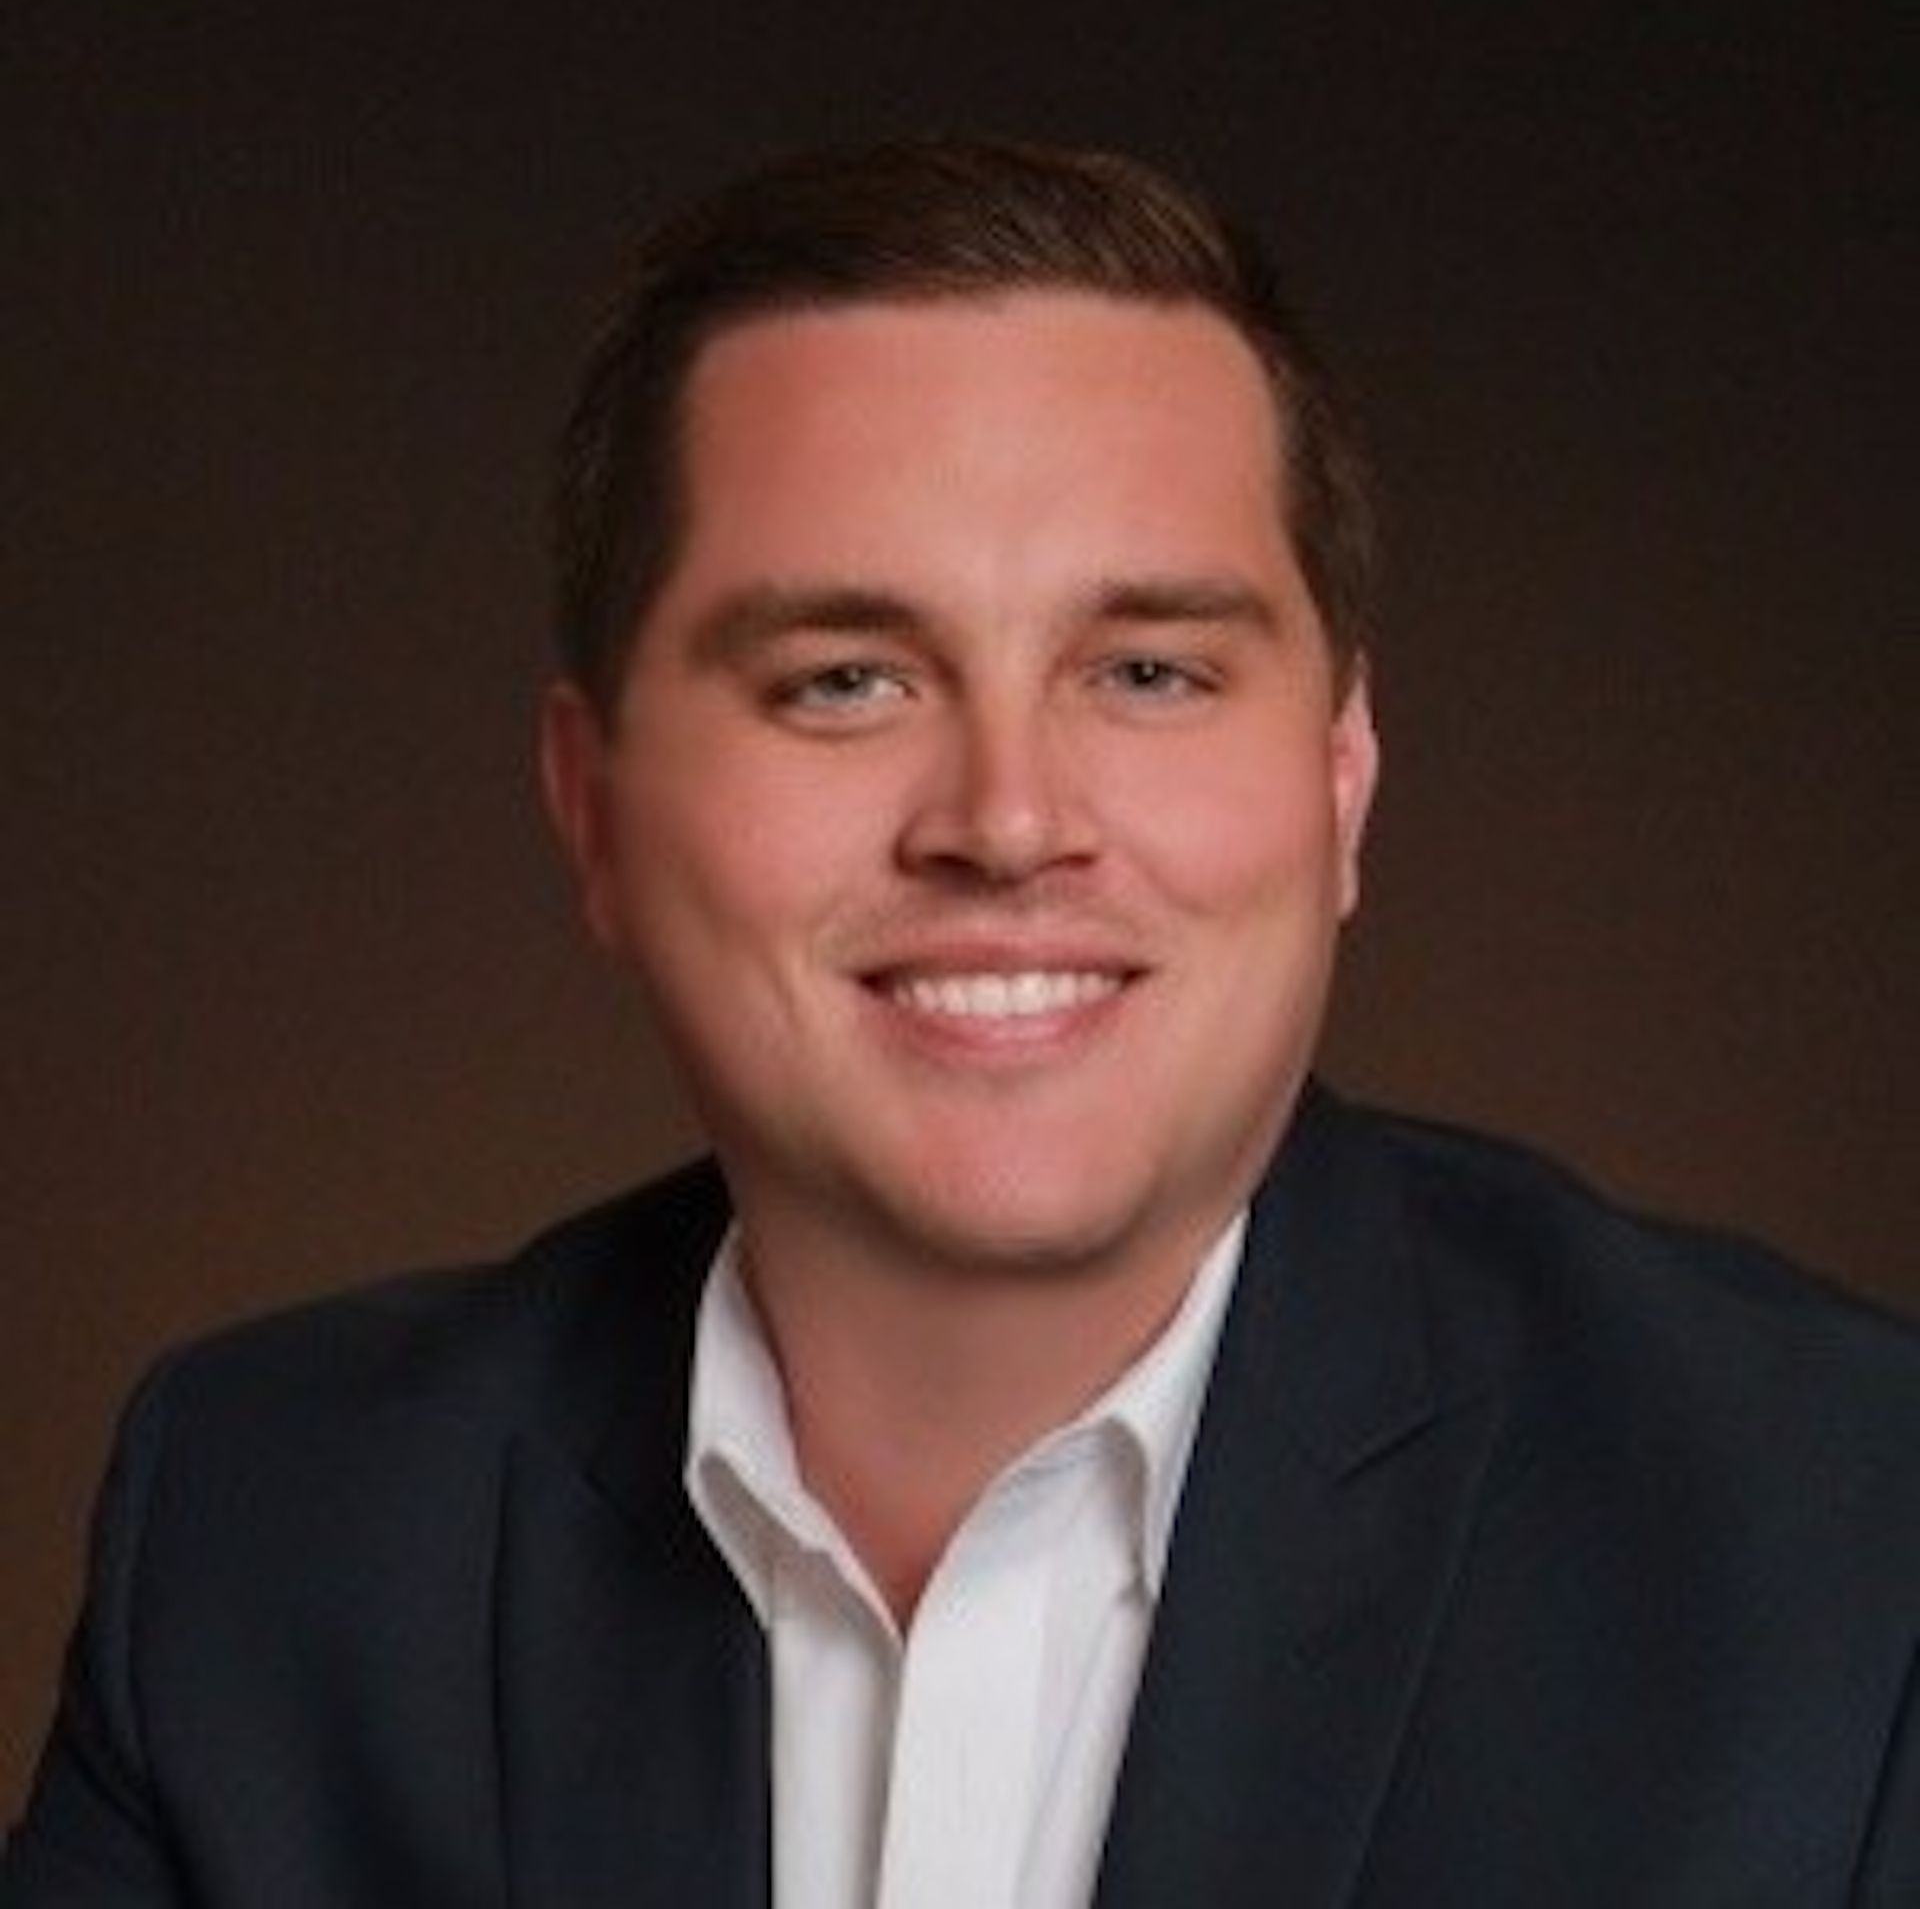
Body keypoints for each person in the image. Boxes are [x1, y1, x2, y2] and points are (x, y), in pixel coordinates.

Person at [4, 137, 1916, 1909]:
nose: (1007, 821)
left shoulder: (1848, 1552)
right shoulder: (268, 1542)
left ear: (1342, 780)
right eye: (844, 679)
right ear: (590, 806)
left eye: (1150, 670)